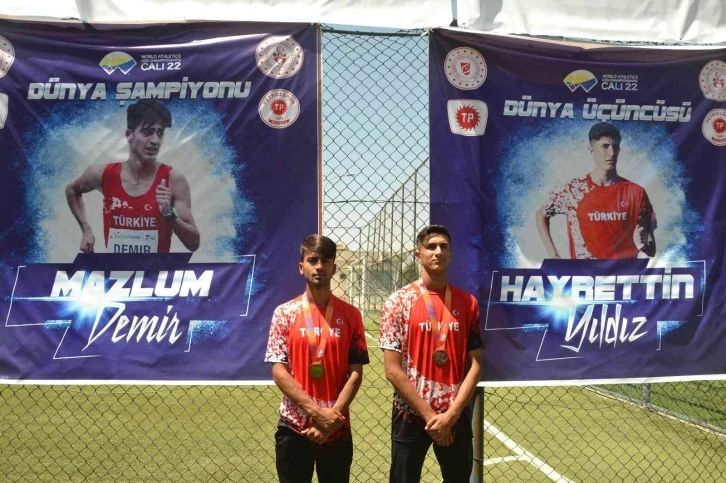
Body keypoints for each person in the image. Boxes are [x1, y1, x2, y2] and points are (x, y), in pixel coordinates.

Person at [379, 225, 483, 483]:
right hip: (411, 413)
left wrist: (451, 416)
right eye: (431, 246)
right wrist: (431, 417)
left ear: (451, 254)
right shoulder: (397, 302)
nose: (438, 252)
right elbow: (392, 369)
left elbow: (476, 365)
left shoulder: (468, 303)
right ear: (419, 254)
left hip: (455, 415)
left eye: (443, 246)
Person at [265, 235, 370, 483]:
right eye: (313, 260)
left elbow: (355, 373)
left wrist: (329, 419)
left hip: (336, 425)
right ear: (301, 267)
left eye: (326, 261)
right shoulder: (284, 313)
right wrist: (316, 413)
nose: (319, 266)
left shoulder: (351, 315)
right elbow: (279, 371)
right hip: (294, 425)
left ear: (334, 267)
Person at [65, 99, 200, 254]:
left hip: (155, 269)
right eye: (147, 132)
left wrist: (169, 215)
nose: (155, 140)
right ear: (129, 135)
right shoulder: (103, 174)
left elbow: (194, 244)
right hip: (116, 268)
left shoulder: (173, 180)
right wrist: (86, 229)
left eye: (160, 133)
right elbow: (72, 191)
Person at [536, 122, 656, 259]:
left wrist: (643, 244)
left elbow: (651, 249)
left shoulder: (636, 192)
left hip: (622, 271)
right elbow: (541, 215)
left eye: (615, 146)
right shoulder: (572, 190)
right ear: (591, 149)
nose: (611, 153)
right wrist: (553, 255)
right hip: (585, 271)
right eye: (605, 146)